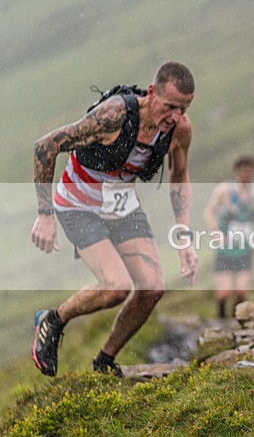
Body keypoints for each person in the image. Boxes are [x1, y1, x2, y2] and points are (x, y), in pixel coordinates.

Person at [30, 62, 198, 378]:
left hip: (122, 207)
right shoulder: (114, 116)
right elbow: (45, 147)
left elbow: (180, 176)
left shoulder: (180, 129)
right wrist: (44, 214)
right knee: (116, 288)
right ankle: (53, 319)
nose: (175, 116)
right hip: (78, 204)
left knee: (152, 289)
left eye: (184, 109)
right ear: (152, 93)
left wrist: (184, 236)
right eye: (170, 106)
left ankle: (104, 362)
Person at [203, 155, 254, 318]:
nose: (246, 175)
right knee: (225, 291)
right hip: (225, 247)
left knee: (242, 291)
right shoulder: (225, 190)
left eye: (249, 171)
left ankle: (237, 321)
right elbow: (209, 211)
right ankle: (221, 319)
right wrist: (217, 233)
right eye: (243, 171)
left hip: (245, 248)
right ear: (237, 171)